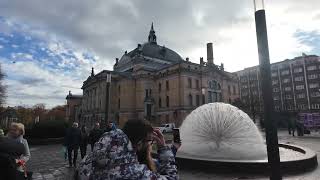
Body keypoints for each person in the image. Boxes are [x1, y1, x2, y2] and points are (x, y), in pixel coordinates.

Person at [78, 119, 178, 180]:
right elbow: (172, 178)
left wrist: (172, 150)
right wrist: (164, 150)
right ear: (139, 143)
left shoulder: (87, 160)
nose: (151, 145)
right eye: (150, 141)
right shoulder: (134, 173)